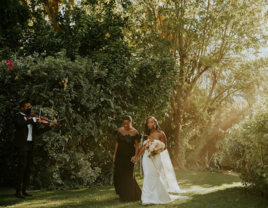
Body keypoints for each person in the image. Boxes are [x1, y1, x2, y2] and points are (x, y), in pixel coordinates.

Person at [133, 116, 185, 205]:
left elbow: (165, 147)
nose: (149, 124)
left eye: (151, 122)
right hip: (146, 157)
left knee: (155, 176)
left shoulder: (161, 133)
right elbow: (143, 146)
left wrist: (156, 150)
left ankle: (157, 196)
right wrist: (136, 156)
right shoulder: (146, 133)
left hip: (157, 157)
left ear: (155, 123)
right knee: (147, 175)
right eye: (148, 123)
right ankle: (146, 198)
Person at [12, 101, 56, 198]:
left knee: (28, 168)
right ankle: (18, 191)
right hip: (21, 145)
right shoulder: (17, 117)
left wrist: (48, 127)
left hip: (30, 145)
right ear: (22, 108)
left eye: (30, 106)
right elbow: (19, 125)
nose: (29, 108)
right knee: (22, 167)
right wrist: (33, 120)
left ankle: (25, 190)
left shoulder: (31, 119)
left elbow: (37, 132)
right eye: (27, 107)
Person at [113, 115, 142, 202]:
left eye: (128, 124)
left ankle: (130, 196)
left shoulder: (135, 132)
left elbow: (137, 145)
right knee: (119, 175)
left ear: (131, 123)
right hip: (119, 156)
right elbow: (117, 143)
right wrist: (114, 154)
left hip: (129, 157)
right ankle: (122, 194)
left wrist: (135, 156)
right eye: (124, 124)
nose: (126, 125)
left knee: (129, 176)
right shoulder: (119, 130)